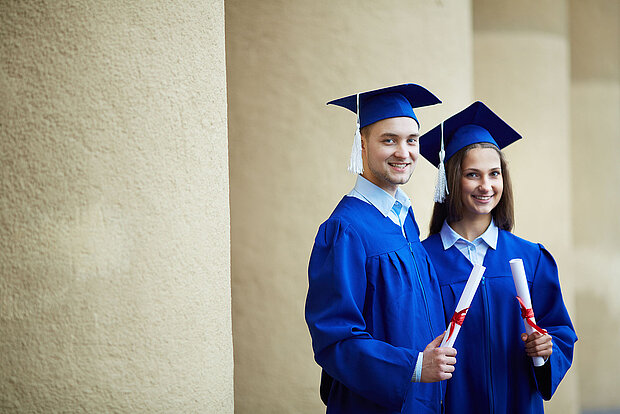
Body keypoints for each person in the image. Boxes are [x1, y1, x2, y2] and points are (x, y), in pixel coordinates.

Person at [305, 84, 457, 414]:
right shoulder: (345, 229)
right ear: (361, 144)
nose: (404, 152)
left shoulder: (405, 218)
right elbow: (336, 339)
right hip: (374, 404)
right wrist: (414, 367)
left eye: (411, 140)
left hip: (424, 400)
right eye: (389, 140)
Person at [419, 101, 577, 413]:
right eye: (472, 175)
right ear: (451, 179)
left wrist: (547, 350)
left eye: (494, 174)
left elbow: (558, 333)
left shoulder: (530, 258)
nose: (486, 186)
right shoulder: (422, 262)